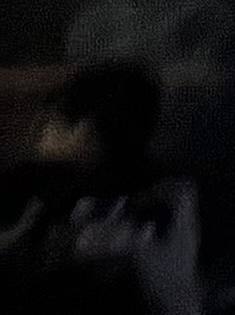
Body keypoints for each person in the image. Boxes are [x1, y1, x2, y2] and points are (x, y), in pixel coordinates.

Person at [0, 63, 202, 315]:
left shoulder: (148, 199)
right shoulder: (151, 188)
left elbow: (67, 260)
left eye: (51, 122)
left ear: (85, 129)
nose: (40, 134)